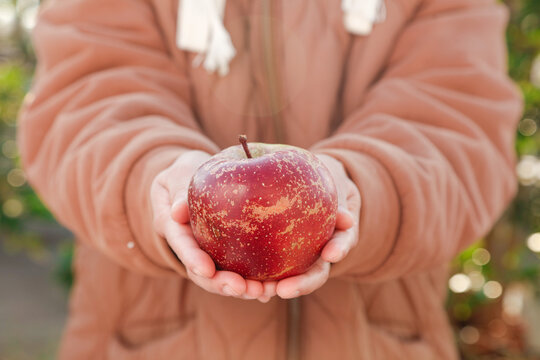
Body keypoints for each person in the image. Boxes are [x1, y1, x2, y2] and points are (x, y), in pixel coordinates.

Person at [17, 0, 522, 358]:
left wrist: (360, 187)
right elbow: (82, 105)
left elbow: (461, 122)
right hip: (148, 342)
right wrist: (153, 175)